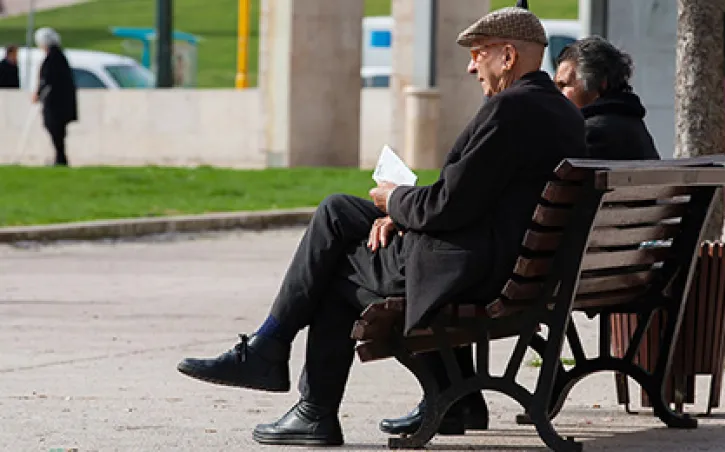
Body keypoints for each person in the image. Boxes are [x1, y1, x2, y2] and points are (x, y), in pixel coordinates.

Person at [177, 7, 587, 447]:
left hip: (472, 270)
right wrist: (398, 214)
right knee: (337, 212)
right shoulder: (562, 114)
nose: (471, 66)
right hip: (516, 266)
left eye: (478, 54)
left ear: (507, 56)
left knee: (336, 273)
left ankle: (301, 394)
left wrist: (394, 198)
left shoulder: (509, 111)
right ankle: (276, 354)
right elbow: (470, 196)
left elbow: (447, 206)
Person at [382, 35, 664, 437]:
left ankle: (449, 396)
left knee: (454, 259)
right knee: (458, 254)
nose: (559, 92)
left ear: (598, 88)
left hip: (558, 273)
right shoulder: (630, 130)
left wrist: (405, 211)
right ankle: (454, 396)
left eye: (567, 84)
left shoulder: (591, 136)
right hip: (611, 270)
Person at [554, 35, 660, 160]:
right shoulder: (634, 126)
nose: (557, 93)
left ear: (599, 84)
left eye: (564, 85)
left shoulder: (591, 134)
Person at [33, 27, 77, 167]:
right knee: (56, 130)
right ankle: (60, 157)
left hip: (56, 103)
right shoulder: (57, 56)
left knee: (55, 128)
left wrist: (38, 93)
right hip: (60, 102)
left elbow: (47, 80)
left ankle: (60, 158)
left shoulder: (54, 58)